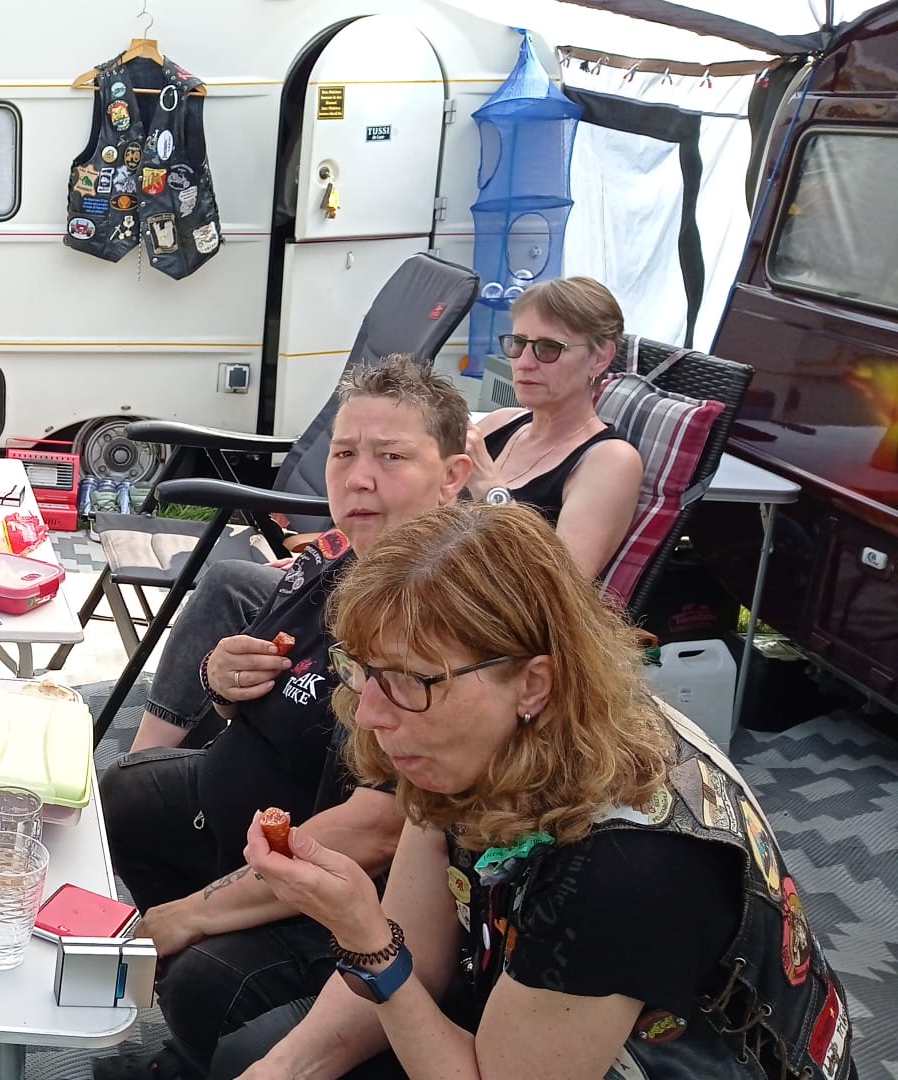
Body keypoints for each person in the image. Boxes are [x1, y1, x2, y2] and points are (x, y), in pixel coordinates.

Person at [221, 501, 856, 1080]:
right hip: (532, 1016)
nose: (368, 714)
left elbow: (401, 964)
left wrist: (367, 941)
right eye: (366, 671)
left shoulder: (626, 864)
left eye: (412, 678)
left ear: (532, 684)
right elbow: (421, 945)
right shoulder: (472, 737)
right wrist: (283, 1070)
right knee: (244, 1045)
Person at [96, 356, 472, 1080]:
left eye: (391, 457)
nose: (359, 478)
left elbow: (380, 827)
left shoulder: (441, 615)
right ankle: (190, 1006)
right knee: (129, 792)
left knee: (208, 977)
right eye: (344, 454)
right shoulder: (334, 562)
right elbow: (254, 693)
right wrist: (222, 682)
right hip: (254, 820)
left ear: (453, 476)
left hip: (350, 881)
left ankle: (201, 1039)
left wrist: (198, 911)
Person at [466, 277, 644, 579]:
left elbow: (563, 586)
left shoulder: (611, 461)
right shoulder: (502, 422)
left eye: (548, 348)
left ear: (600, 358)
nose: (524, 362)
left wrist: (489, 488)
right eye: (518, 343)